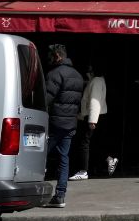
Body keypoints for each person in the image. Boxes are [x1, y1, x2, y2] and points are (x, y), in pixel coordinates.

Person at [43, 44, 84, 208]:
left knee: (40, 155)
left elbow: (46, 99)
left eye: (52, 56)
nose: (50, 59)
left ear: (58, 56)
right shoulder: (77, 75)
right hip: (70, 123)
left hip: (54, 123)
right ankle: (60, 195)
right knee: (63, 158)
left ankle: (34, 192)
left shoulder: (55, 74)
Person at [71, 64, 110, 181]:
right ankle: (106, 160)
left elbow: (94, 101)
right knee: (96, 144)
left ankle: (84, 170)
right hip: (97, 116)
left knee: (85, 143)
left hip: (94, 117)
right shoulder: (98, 80)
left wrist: (92, 120)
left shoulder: (96, 81)